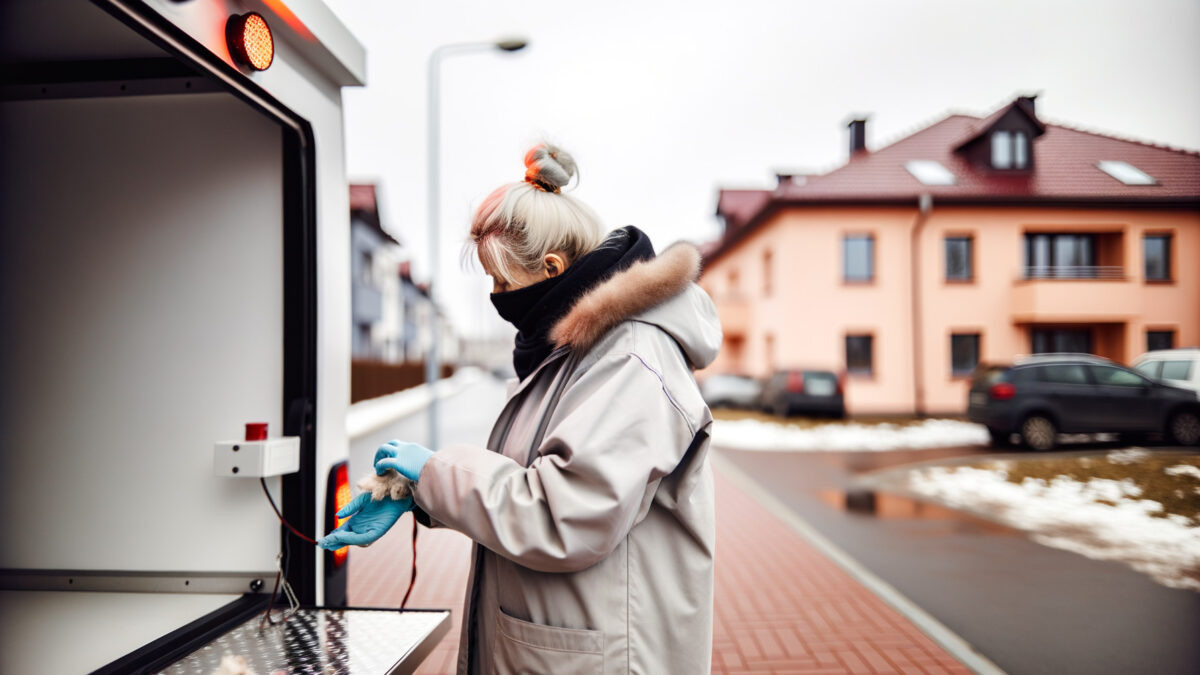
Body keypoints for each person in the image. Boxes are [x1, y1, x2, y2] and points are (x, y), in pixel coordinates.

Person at [319, 143, 722, 674]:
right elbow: (525, 482)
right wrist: (420, 493)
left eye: (503, 282)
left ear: (552, 268)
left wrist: (436, 473)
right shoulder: (573, 353)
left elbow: (564, 514)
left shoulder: (631, 358)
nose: (497, 295)